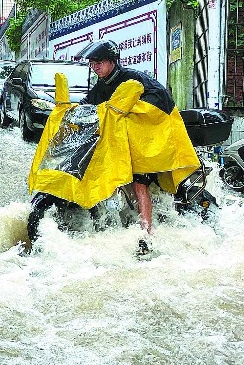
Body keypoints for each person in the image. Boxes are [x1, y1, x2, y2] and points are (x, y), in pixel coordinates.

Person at [75, 39, 178, 254]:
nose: (95, 67)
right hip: (122, 144)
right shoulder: (102, 84)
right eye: (92, 63)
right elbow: (88, 104)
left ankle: (146, 233)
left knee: (139, 183)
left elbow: (155, 106)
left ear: (112, 61)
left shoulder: (132, 79)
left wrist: (130, 116)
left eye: (99, 62)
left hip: (147, 143)